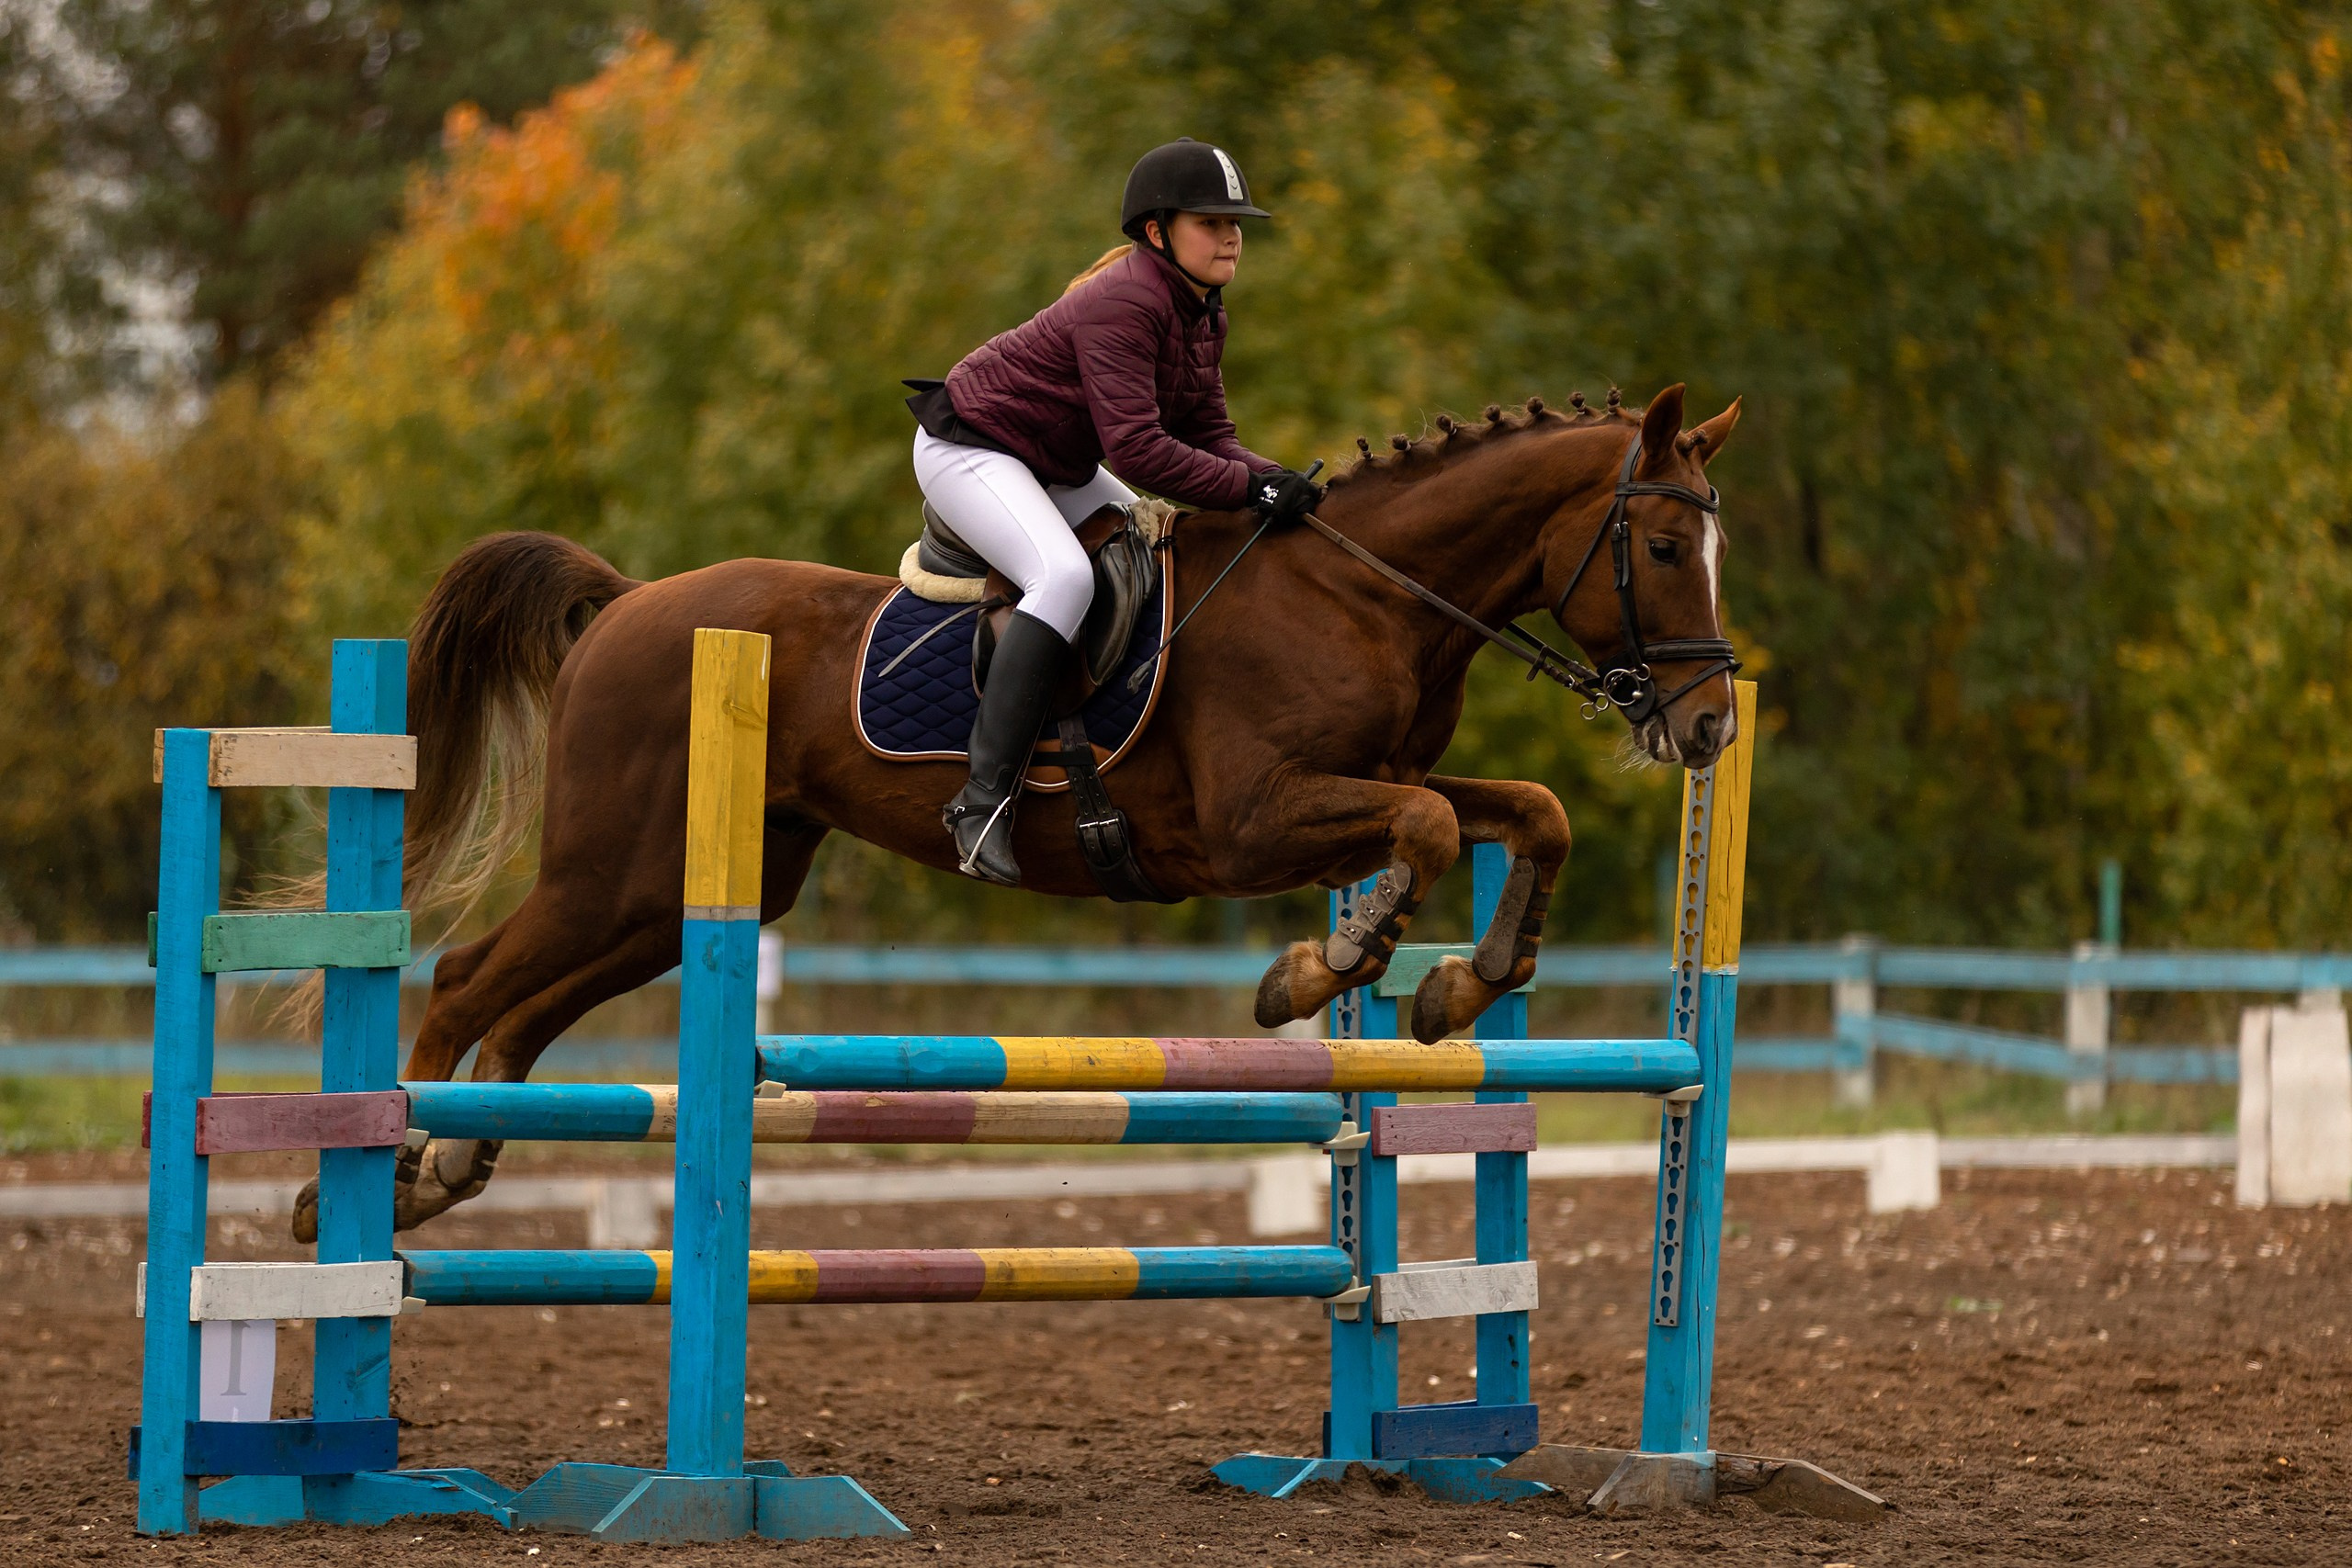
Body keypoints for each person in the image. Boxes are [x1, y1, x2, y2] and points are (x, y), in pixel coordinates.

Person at [907, 138, 1327, 886]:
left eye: (1237, 222)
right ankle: (980, 806)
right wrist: (1250, 488)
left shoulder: (1203, 313)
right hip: (971, 447)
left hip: (1053, 460)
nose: (1232, 235)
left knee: (1157, 545)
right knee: (1065, 578)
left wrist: (1280, 481)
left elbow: (1211, 439)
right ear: (1158, 233)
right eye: (1211, 221)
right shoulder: (1126, 302)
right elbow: (1136, 451)